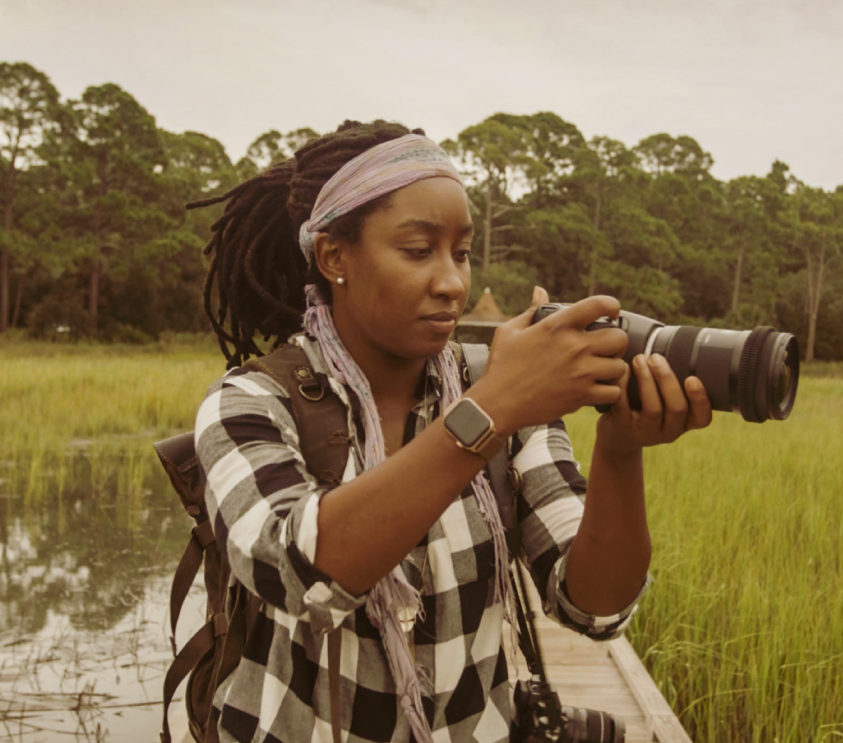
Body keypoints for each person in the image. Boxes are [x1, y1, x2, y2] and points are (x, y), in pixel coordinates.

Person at [190, 120, 711, 743]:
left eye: (460, 253)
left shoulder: (501, 389)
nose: (453, 283)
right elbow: (301, 575)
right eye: (418, 251)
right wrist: (490, 411)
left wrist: (621, 450)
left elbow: (593, 605)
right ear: (334, 258)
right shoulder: (251, 401)